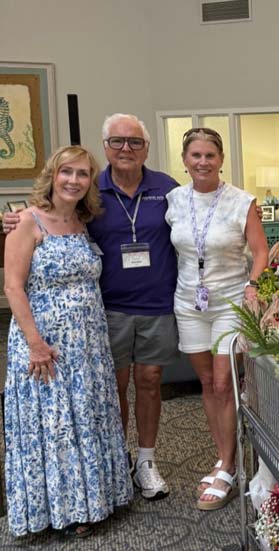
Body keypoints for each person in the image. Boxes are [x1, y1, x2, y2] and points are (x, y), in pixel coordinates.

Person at [3, 113, 179, 502]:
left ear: (146, 147)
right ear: (106, 147)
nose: (126, 149)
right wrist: (12, 220)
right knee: (109, 388)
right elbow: (47, 219)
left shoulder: (167, 188)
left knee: (150, 381)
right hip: (105, 309)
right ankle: (116, 459)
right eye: (117, 141)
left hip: (156, 302)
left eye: (134, 142)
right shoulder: (90, 191)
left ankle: (146, 461)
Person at [3, 146, 133, 538]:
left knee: (86, 417)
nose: (74, 180)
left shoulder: (81, 222)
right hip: (46, 343)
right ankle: (62, 509)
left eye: (83, 174)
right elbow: (12, 286)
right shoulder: (26, 222)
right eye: (67, 172)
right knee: (55, 422)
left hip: (88, 344)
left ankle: (94, 501)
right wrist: (36, 344)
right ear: (52, 175)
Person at [165, 127, 269, 510]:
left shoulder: (242, 202)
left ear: (221, 159)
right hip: (189, 302)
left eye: (210, 155)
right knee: (207, 381)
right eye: (196, 155)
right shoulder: (174, 199)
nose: (203, 162)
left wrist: (253, 285)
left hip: (230, 302)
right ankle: (224, 456)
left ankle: (227, 466)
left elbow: (260, 251)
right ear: (185, 160)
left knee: (225, 383)